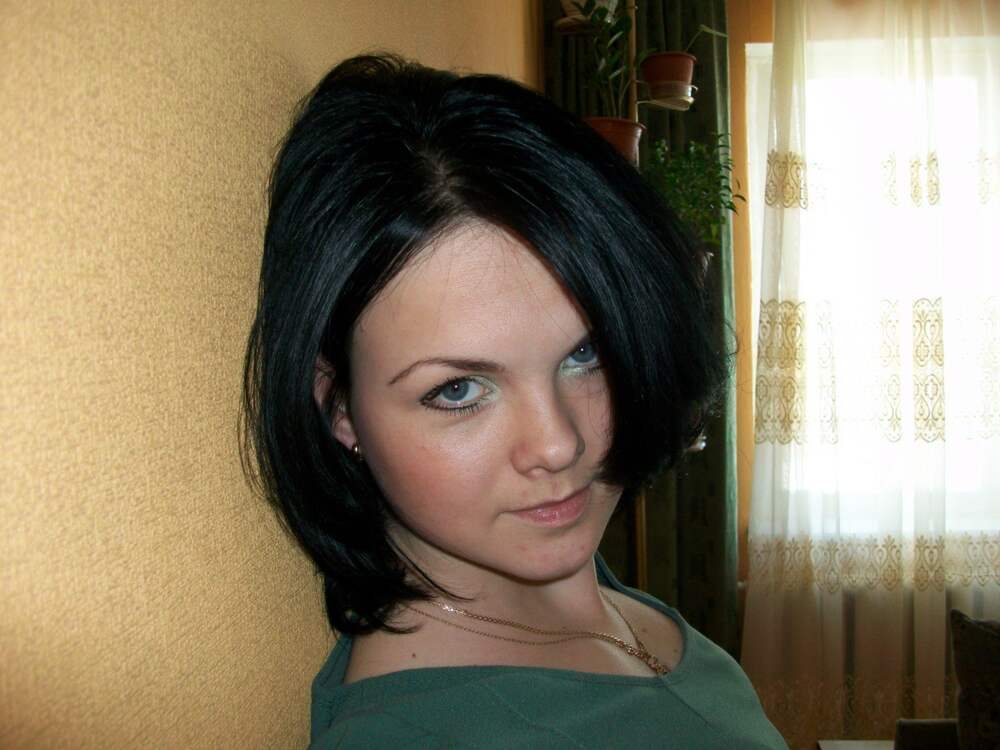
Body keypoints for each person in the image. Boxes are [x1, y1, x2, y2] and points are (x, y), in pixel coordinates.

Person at [241, 53, 787, 749]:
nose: (559, 444)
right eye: (457, 390)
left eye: (586, 354)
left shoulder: (592, 593)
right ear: (338, 409)